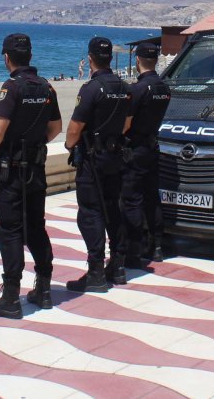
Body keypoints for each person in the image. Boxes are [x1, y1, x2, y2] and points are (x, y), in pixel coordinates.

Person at [0, 33, 62, 319]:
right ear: (29, 56)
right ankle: (44, 287)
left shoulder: (12, 87)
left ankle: (11, 297)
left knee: (11, 230)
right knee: (35, 227)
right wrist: (35, 145)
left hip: (12, 171)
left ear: (7, 57)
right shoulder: (46, 87)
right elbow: (56, 127)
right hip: (36, 169)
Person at [64, 37, 131, 292]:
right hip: (115, 156)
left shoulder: (92, 89)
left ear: (90, 58)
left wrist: (71, 146)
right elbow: (126, 124)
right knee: (113, 208)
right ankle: (119, 265)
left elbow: (75, 128)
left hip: (93, 159)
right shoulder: (124, 87)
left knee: (91, 213)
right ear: (110, 59)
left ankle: (95, 272)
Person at [123, 42, 173, 264]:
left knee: (131, 199)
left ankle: (135, 247)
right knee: (152, 197)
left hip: (136, 148)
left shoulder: (137, 90)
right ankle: (157, 246)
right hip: (153, 146)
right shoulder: (164, 88)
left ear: (137, 61)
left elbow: (125, 125)